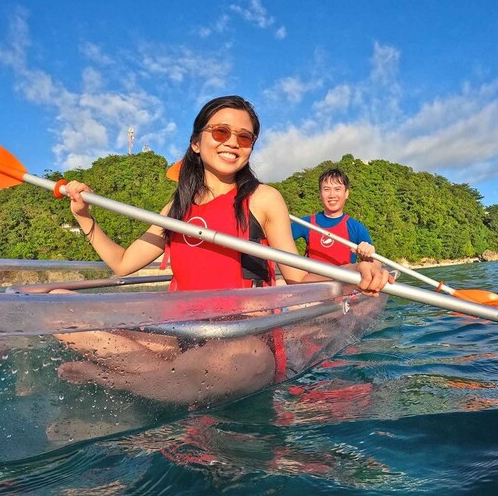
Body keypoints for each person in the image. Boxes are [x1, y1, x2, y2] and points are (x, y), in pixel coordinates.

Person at [53, 95, 392, 406]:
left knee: (238, 362)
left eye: (245, 137)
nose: (233, 142)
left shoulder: (263, 199)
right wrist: (84, 218)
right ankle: (167, 378)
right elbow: (123, 263)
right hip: (181, 333)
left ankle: (117, 378)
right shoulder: (176, 207)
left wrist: (354, 272)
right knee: (57, 305)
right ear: (196, 143)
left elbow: (297, 275)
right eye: (220, 132)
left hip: (242, 340)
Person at [292, 168, 376, 265]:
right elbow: (277, 239)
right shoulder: (306, 223)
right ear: (320, 194)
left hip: (343, 279)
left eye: (337, 189)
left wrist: (369, 254)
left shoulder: (356, 228)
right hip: (313, 279)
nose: (332, 195)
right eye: (327, 189)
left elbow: (374, 263)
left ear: (346, 193)